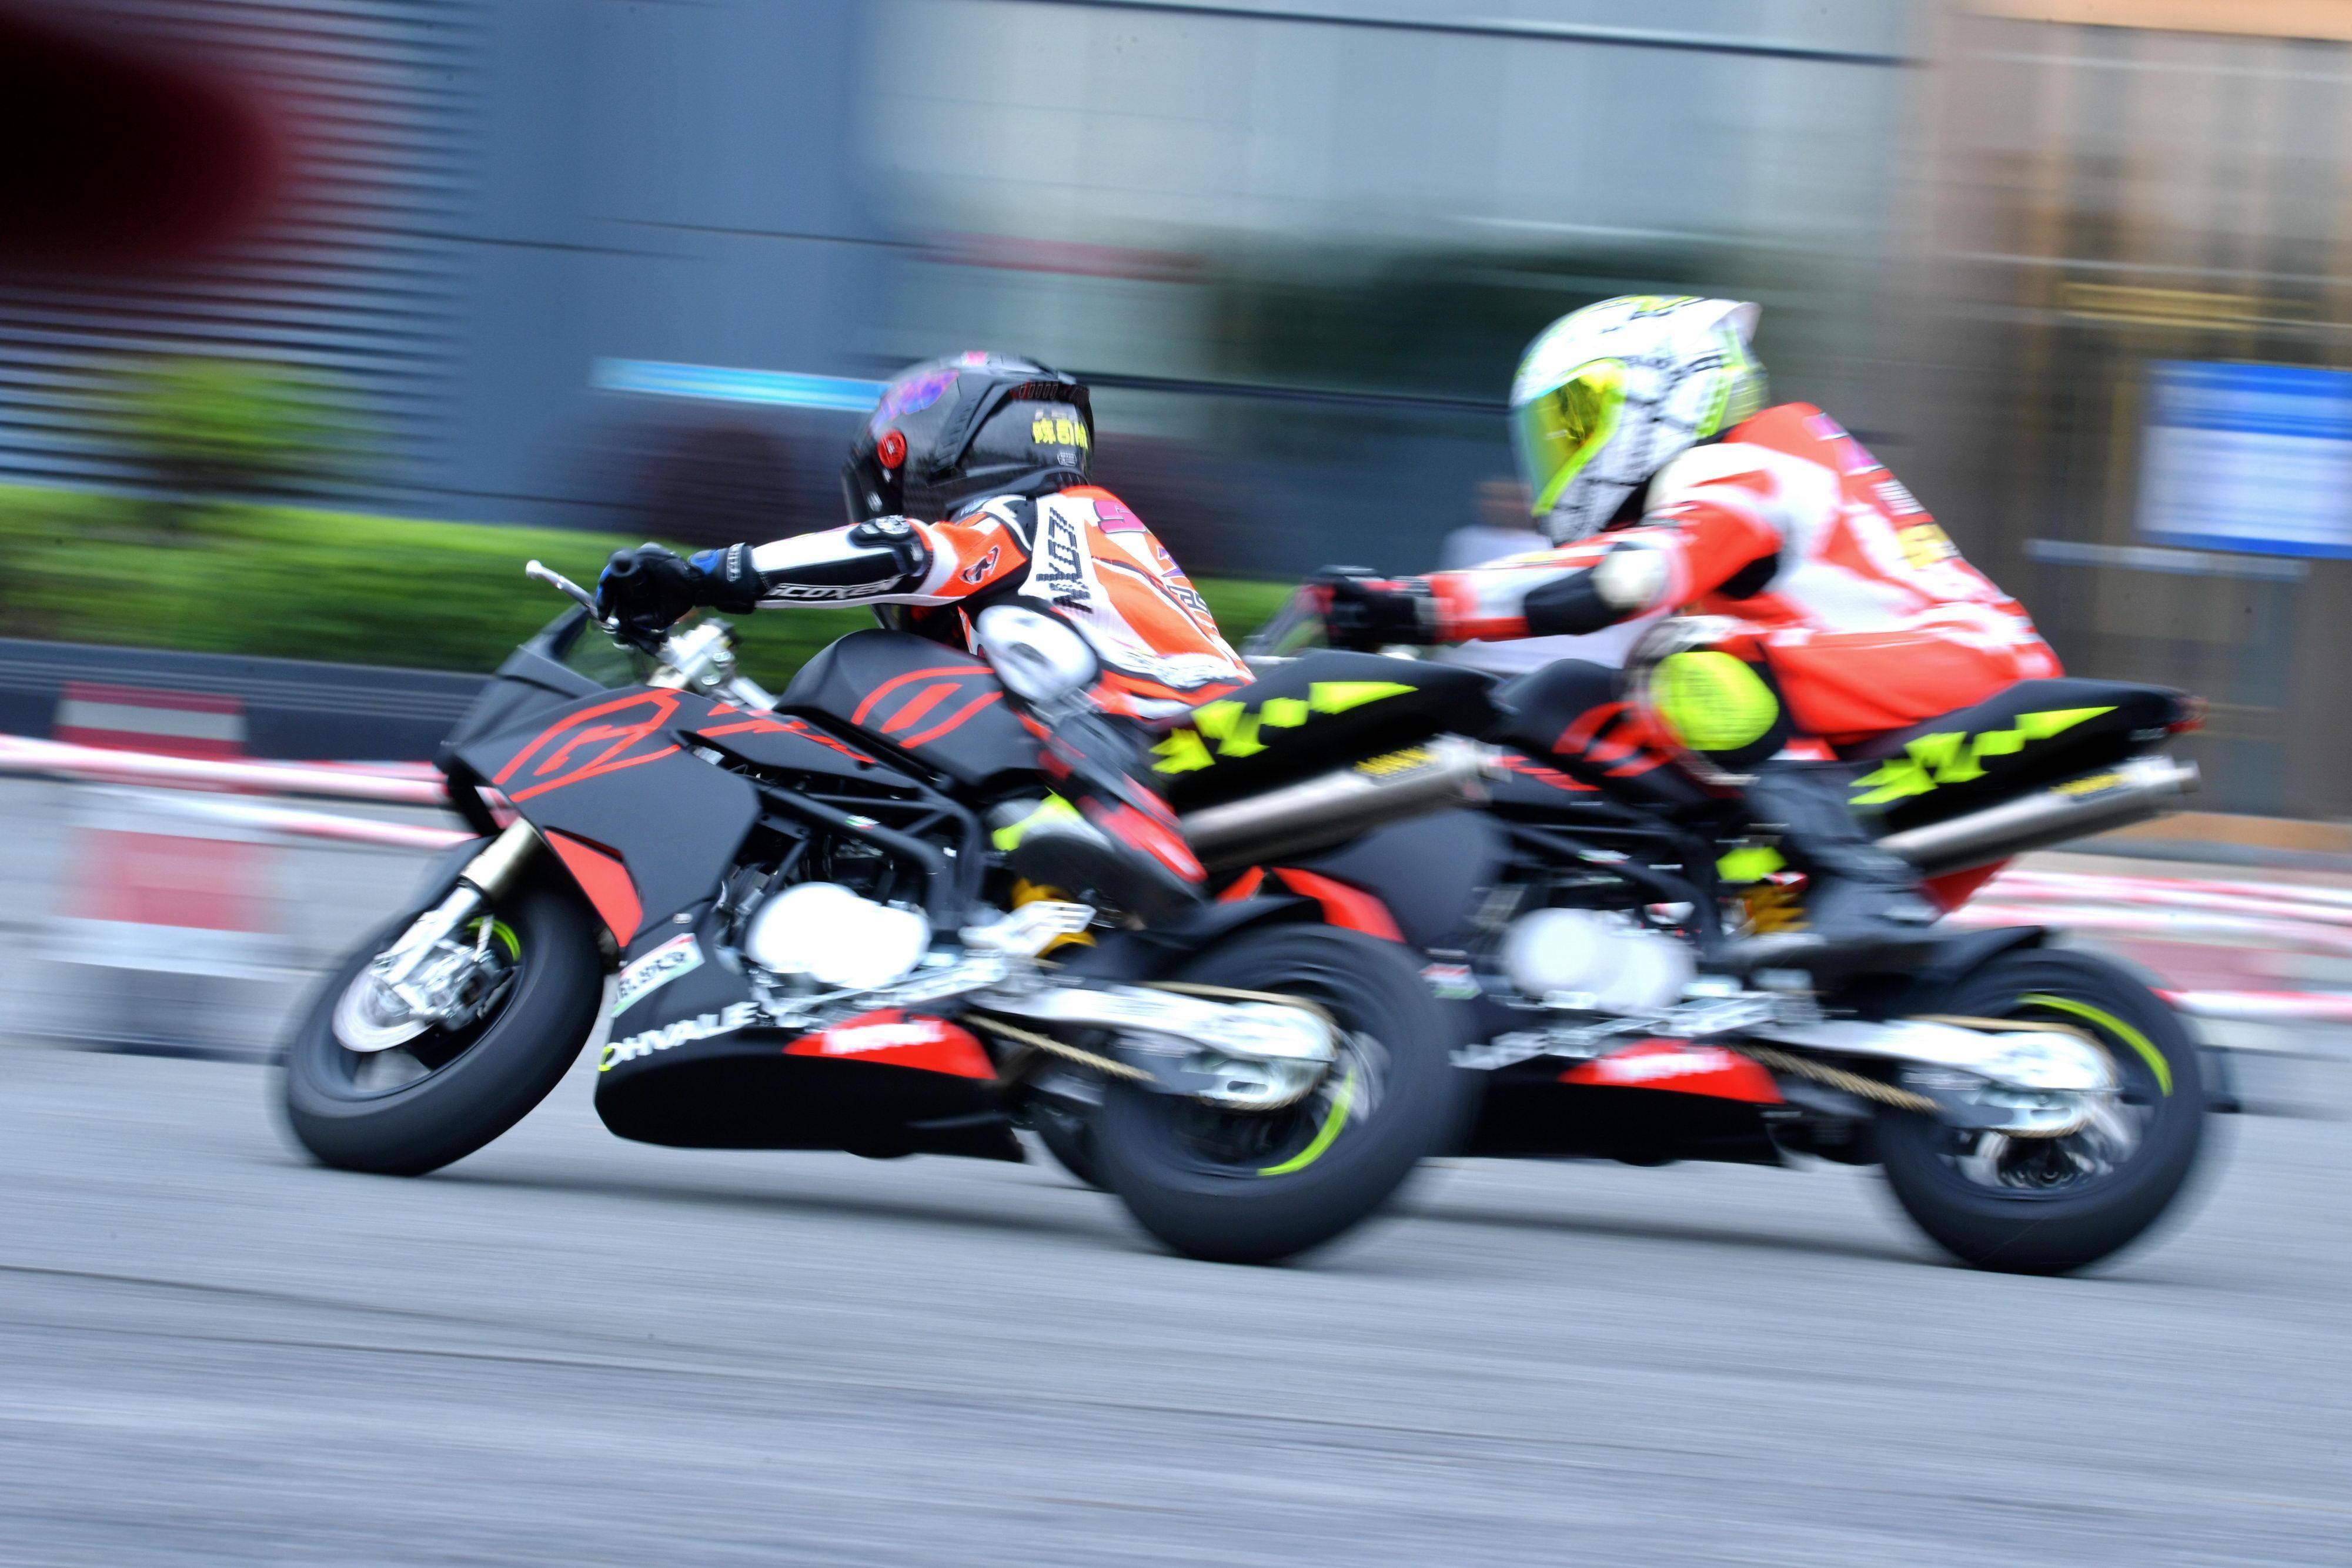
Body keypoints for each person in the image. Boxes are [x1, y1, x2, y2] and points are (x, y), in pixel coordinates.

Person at [1314, 295, 2062, 956]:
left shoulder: (1750, 459)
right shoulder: (1745, 474)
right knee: (1572, 697)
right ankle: (1754, 927)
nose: (1560, 450)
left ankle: (1862, 885)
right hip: (1902, 688)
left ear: (1659, 390)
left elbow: (1616, 581)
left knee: (1691, 664)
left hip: (1970, 671)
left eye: (1577, 419)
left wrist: (1415, 604)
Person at [596, 351, 1248, 916]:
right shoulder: (1095, 532)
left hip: (1155, 741)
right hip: (1198, 735)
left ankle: (1129, 840)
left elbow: (908, 553)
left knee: (982, 648)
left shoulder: (1032, 520)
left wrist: (707, 575)